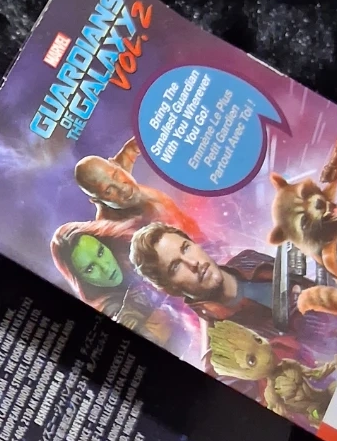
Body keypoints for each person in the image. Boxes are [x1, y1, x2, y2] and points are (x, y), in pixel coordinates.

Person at [128, 222, 278, 332]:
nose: (193, 263)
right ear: (170, 289)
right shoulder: (219, 340)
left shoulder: (248, 258)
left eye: (186, 248)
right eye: (175, 266)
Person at [50, 219, 173, 344]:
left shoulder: (138, 252)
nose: (105, 267)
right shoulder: (113, 314)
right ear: (82, 280)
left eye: (100, 252)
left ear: (106, 244)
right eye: (90, 268)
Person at [74, 137, 201, 238]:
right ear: (98, 200)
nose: (123, 189)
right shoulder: (110, 230)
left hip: (196, 230)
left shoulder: (121, 164)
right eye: (108, 191)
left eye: (116, 175)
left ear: (115, 164)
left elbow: (148, 137)